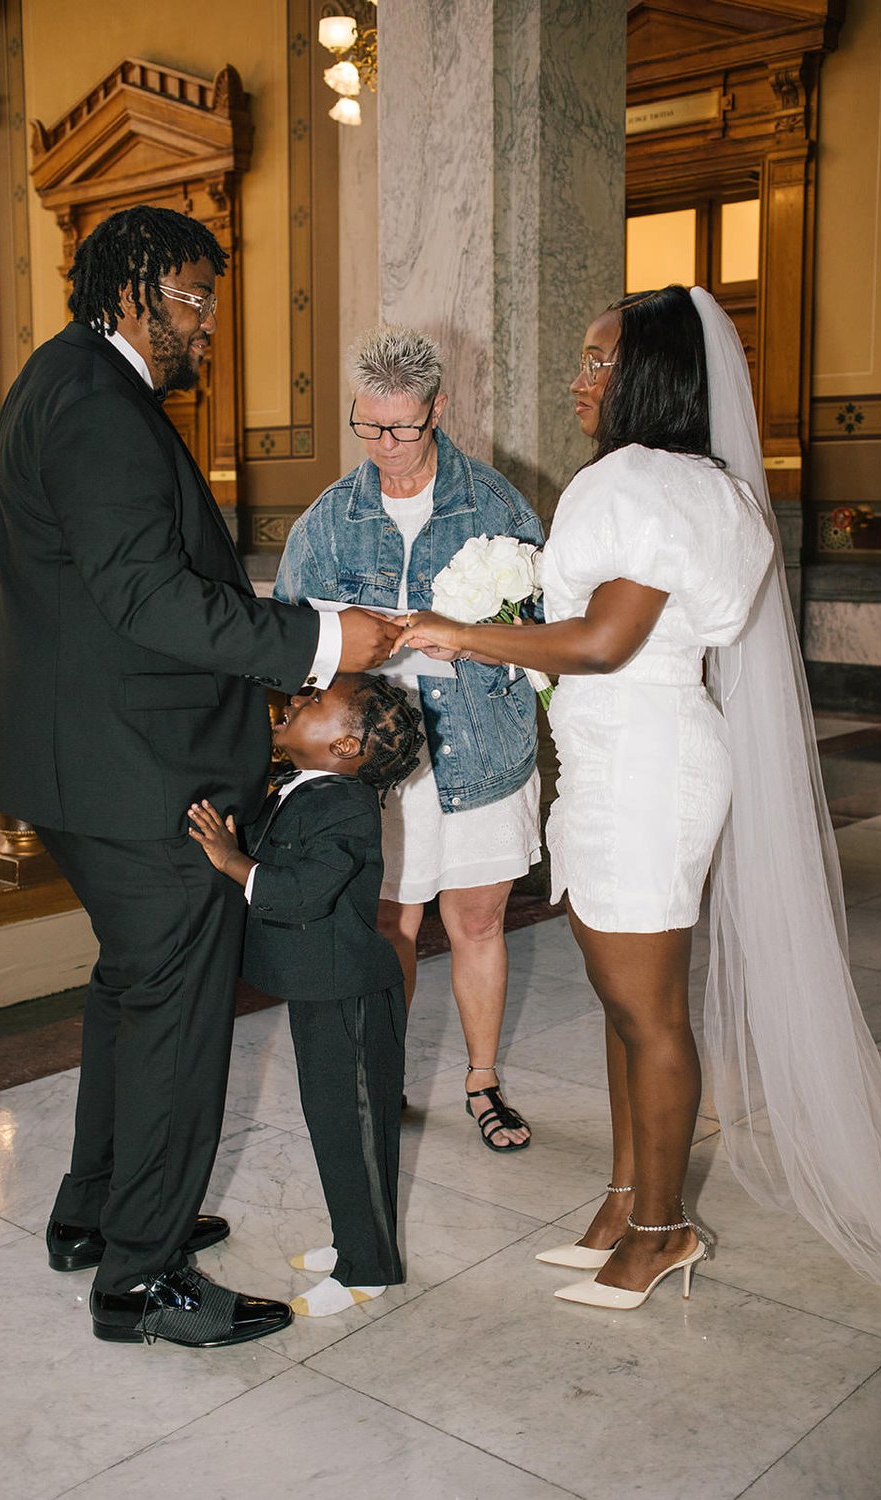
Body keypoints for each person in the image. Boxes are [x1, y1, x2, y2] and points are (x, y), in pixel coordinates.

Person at [398, 284, 881, 1310]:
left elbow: (601, 642)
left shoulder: (634, 481)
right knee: (622, 999)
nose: (581, 380)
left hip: (640, 766)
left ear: (654, 377)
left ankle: (662, 1227)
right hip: (632, 757)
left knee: (650, 1013)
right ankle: (626, 1194)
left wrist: (456, 632)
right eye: (584, 360)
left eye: (600, 362)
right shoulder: (708, 485)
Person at [0, 204, 401, 1348]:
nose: (208, 328)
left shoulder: (57, 382)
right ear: (134, 289)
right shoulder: (101, 408)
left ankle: (98, 1215)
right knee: (176, 1011)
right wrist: (320, 643)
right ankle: (143, 1276)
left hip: (85, 762)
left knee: (132, 990)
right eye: (195, 300)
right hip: (130, 772)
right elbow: (146, 597)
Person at [275, 326, 545, 1151]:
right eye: (368, 426)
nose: (384, 446)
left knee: (478, 920)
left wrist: (462, 633)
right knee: (391, 921)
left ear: (438, 411)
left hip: (482, 742)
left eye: (402, 428)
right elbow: (291, 638)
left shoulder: (494, 504)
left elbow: (542, 626)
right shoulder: (330, 519)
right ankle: (383, 1077)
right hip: (381, 761)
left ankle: (483, 1080)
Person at [188, 672, 424, 1317]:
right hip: (321, 987)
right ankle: (353, 1235)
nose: (296, 700)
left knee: (353, 1129)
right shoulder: (304, 788)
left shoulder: (346, 803)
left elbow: (303, 891)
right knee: (331, 1124)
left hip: (349, 993)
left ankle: (368, 1267)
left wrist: (230, 859)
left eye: (316, 701)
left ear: (345, 747)